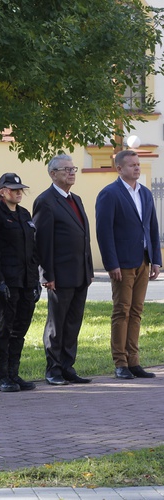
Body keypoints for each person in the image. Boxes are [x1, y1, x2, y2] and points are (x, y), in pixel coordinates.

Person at [95, 150, 161, 380]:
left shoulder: (144, 193)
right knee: (121, 311)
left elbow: (152, 227)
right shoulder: (109, 194)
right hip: (121, 263)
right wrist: (111, 263)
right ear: (119, 168)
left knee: (137, 311)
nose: (136, 168)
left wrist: (156, 260)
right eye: (131, 165)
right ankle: (120, 362)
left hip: (143, 260)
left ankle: (134, 361)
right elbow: (104, 232)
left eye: (138, 164)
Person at [33, 154, 93, 385]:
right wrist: (47, 275)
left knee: (73, 323)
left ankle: (68, 366)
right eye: (66, 169)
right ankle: (54, 369)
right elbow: (42, 241)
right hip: (59, 275)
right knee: (56, 325)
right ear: (53, 174)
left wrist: (88, 270)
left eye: (73, 169)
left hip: (80, 273)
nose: (71, 173)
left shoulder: (75, 199)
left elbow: (83, 236)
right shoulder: (45, 201)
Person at [0, 173, 40, 392]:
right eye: (13, 188)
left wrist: (35, 280)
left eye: (20, 189)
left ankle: (14, 373)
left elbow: (33, 250)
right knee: (4, 328)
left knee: (20, 328)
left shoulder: (25, 214)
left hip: (26, 280)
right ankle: (1, 375)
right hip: (8, 280)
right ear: (2, 192)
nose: (18, 192)